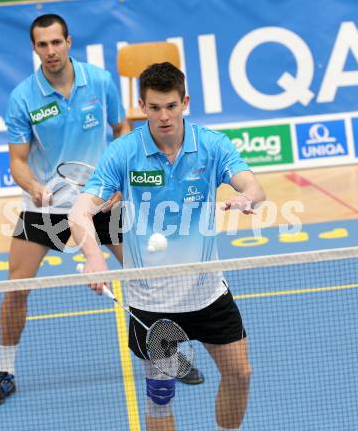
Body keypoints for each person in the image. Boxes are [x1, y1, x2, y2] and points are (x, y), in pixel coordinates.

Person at [0, 15, 201, 408]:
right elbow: (16, 160)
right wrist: (33, 186)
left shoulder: (99, 82)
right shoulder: (22, 98)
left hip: (99, 200)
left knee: (146, 279)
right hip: (44, 207)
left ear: (68, 41)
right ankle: (5, 370)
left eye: (56, 42)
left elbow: (121, 133)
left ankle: (168, 352)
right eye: (42, 45)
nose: (50, 51)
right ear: (34, 49)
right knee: (16, 288)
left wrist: (119, 182)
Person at [69, 62, 266, 430]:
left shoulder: (211, 145)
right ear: (142, 105)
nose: (163, 116)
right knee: (160, 403)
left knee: (241, 373)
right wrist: (94, 259)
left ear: (185, 102)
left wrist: (247, 197)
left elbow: (253, 185)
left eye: (171, 106)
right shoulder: (123, 153)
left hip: (207, 293)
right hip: (152, 304)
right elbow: (80, 212)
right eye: (155, 107)